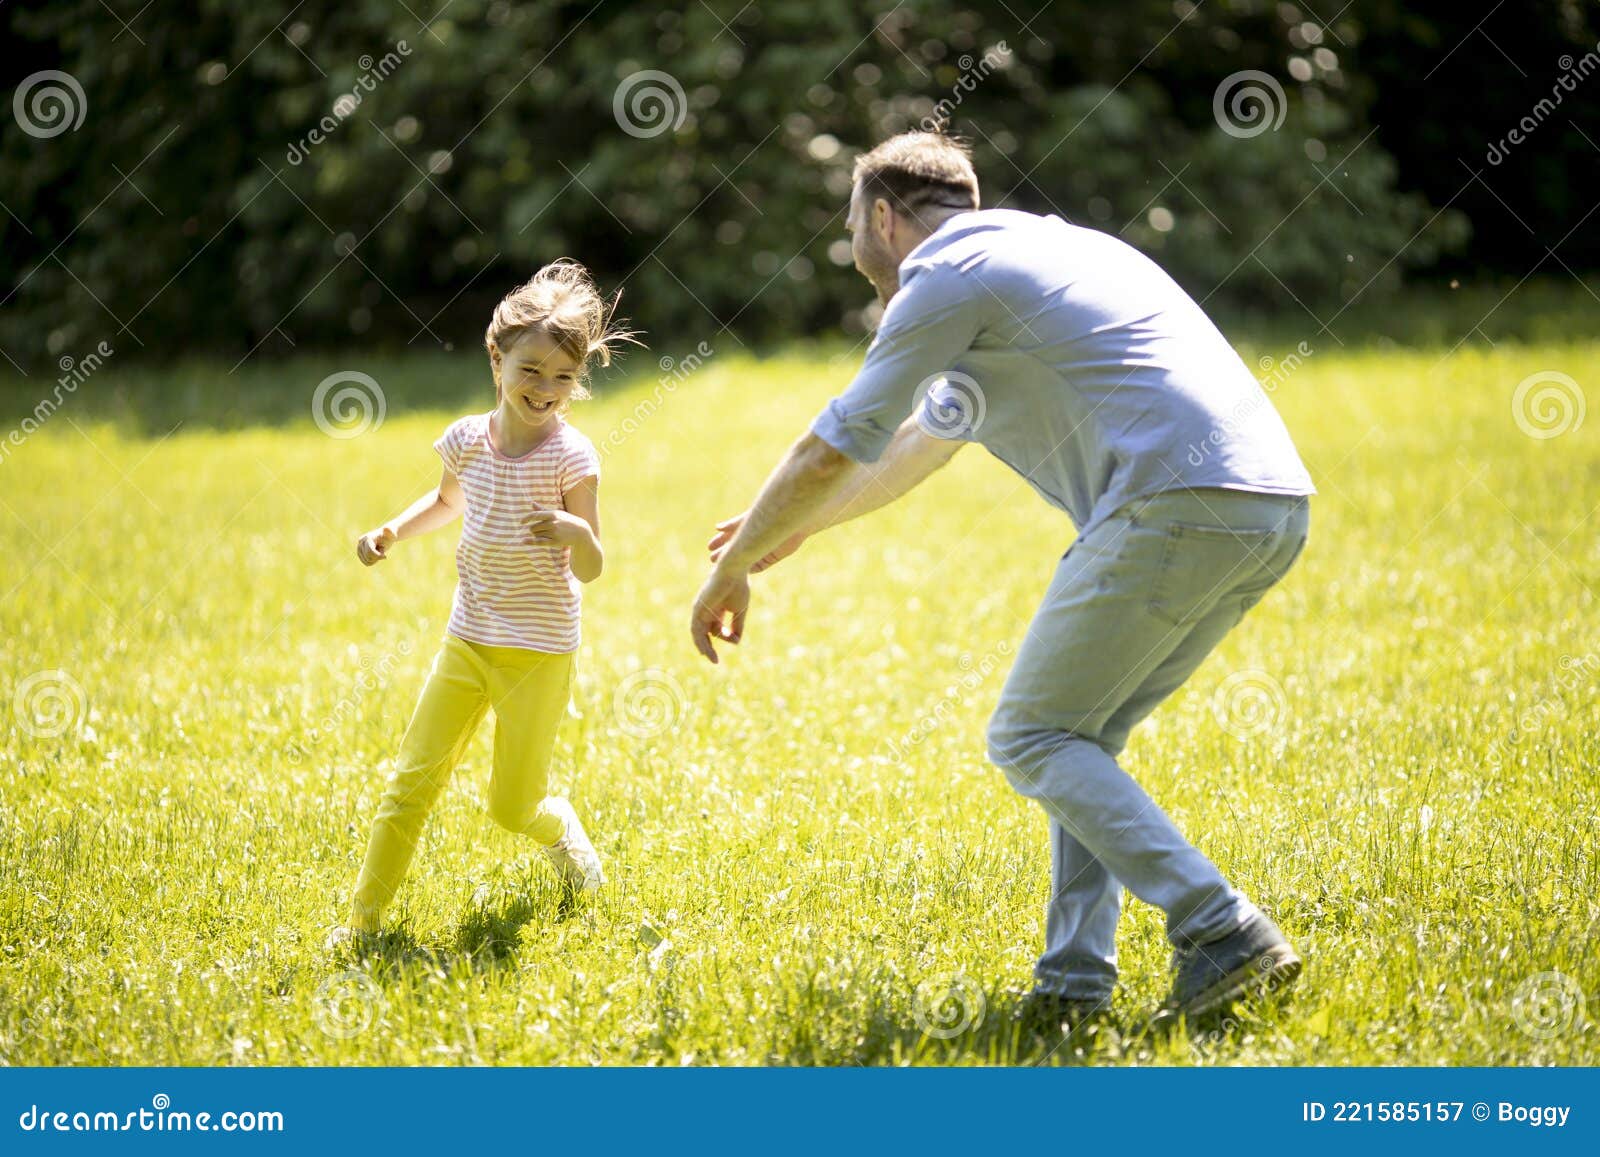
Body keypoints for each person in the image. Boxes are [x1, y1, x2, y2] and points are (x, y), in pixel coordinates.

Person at [695, 132, 1314, 1025]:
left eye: (853, 229)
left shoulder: (942, 280)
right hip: (1270, 505)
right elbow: (915, 447)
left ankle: (1225, 932)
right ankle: (1072, 984)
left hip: (1170, 503)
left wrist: (730, 564)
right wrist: (783, 535)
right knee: (1079, 739)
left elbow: (833, 444)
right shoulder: (1050, 250)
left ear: (882, 216)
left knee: (1032, 736)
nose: (856, 254)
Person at [327, 260, 636, 949]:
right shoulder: (467, 439)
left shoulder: (573, 457)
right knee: (410, 782)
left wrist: (576, 531)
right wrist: (390, 533)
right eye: (530, 370)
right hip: (467, 638)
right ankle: (361, 926)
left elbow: (592, 566)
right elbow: (445, 502)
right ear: (496, 358)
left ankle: (565, 835)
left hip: (538, 651)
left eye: (561, 377)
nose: (545, 389)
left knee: (512, 805)